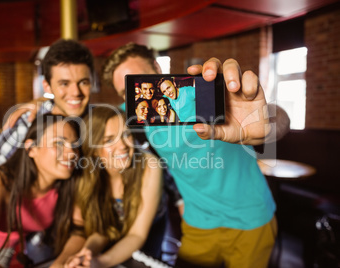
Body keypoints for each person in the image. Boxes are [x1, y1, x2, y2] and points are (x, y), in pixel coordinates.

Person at [102, 42, 291, 268]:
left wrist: (265, 123)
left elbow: (281, 120)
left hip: (250, 218)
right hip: (197, 222)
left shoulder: (197, 93)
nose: (137, 93)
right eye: (127, 91)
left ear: (156, 68)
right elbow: (96, 126)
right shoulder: (135, 112)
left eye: (139, 80)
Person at [0, 38, 94, 267]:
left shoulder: (93, 124)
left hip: (39, 237)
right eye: (64, 83)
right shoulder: (28, 122)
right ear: (47, 87)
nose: (76, 92)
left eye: (83, 82)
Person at [0, 114, 84, 267]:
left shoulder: (69, 182)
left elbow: (80, 230)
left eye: (75, 145)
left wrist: (60, 264)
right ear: (31, 149)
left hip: (23, 246)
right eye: (59, 143)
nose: (72, 153)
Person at [61, 106, 163, 268]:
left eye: (126, 134)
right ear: (94, 149)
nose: (123, 145)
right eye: (109, 140)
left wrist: (100, 262)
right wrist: (87, 254)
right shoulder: (86, 175)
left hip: (148, 240)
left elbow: (137, 235)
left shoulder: (150, 165)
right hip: (111, 241)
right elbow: (102, 230)